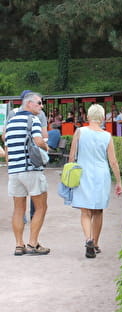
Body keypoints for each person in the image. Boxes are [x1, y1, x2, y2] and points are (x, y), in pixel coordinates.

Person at [68, 104, 122, 258]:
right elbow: (113, 161)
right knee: (98, 211)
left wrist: (68, 175)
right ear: (103, 118)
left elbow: (72, 156)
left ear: (88, 116)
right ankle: (96, 242)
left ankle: (88, 239)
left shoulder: (79, 132)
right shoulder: (107, 136)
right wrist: (118, 181)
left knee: (85, 211)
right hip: (101, 174)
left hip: (83, 173)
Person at [4, 92, 50, 256]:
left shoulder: (9, 123)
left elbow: (7, 144)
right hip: (30, 170)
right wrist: (46, 148)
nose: (41, 106)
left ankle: (19, 245)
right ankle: (33, 243)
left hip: (14, 171)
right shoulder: (33, 120)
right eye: (39, 103)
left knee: (18, 209)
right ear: (29, 104)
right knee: (41, 207)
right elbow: (38, 140)